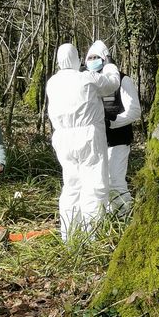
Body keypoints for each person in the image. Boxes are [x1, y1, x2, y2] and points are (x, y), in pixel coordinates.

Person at [46, 43, 120, 240]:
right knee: (95, 185)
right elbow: (112, 83)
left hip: (62, 138)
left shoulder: (52, 82)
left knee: (71, 185)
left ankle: (68, 236)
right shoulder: (86, 78)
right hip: (88, 136)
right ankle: (92, 236)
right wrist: (110, 64)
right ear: (77, 58)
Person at [85, 41, 142, 216]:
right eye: (90, 58)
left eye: (97, 57)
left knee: (115, 179)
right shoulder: (88, 82)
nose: (93, 60)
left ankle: (124, 216)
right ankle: (110, 216)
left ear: (105, 59)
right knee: (100, 182)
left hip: (118, 139)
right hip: (96, 141)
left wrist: (112, 122)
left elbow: (134, 111)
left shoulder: (123, 80)